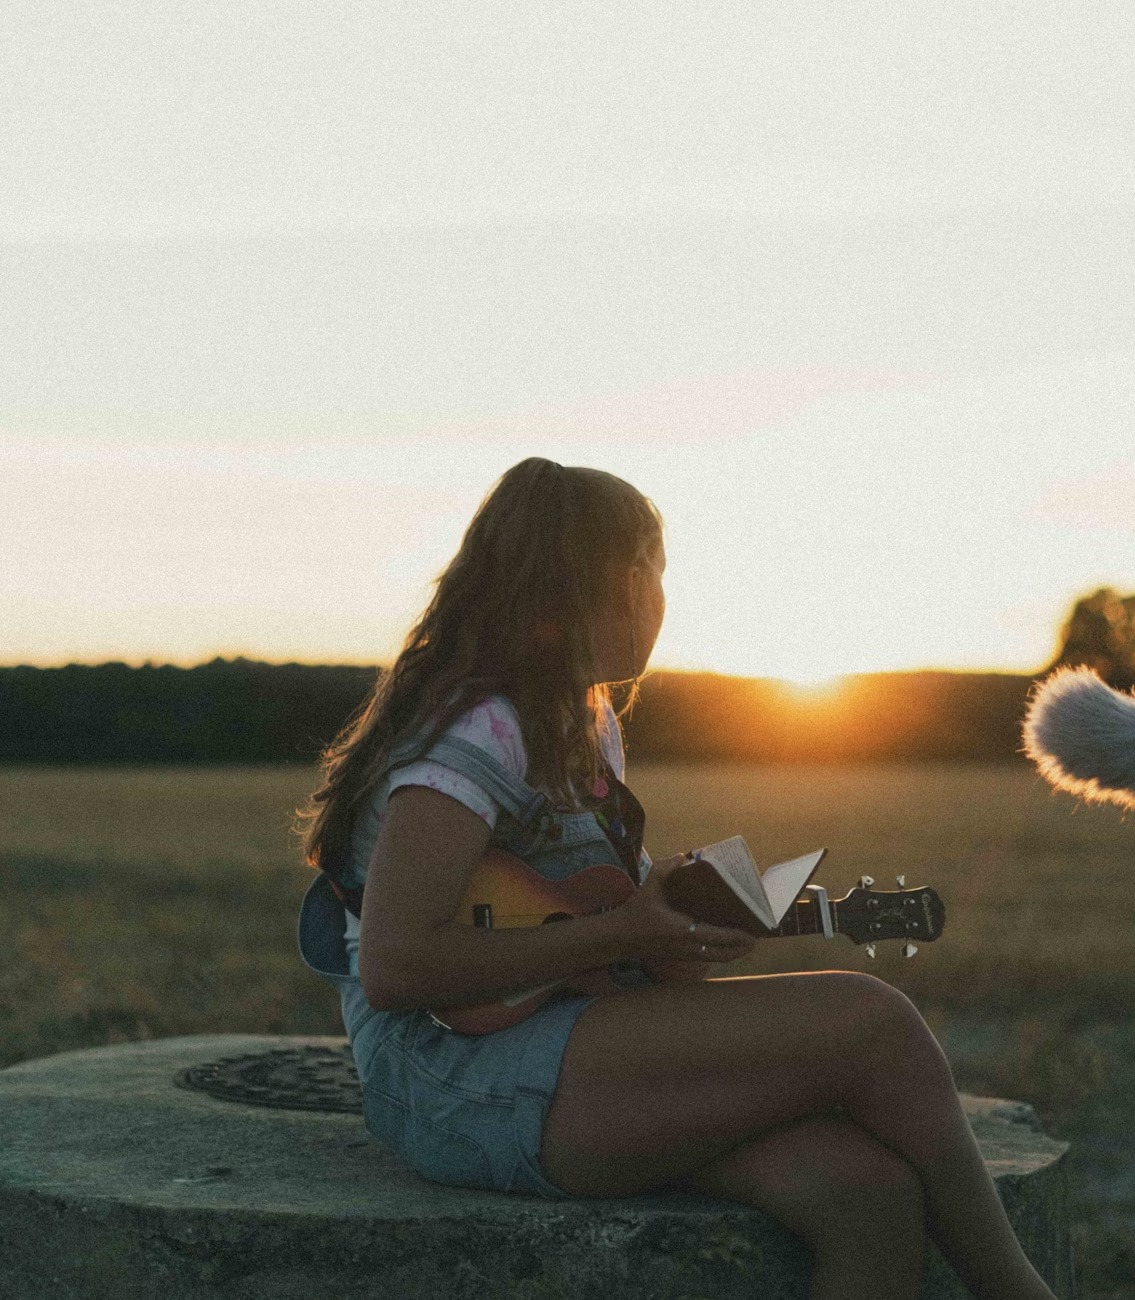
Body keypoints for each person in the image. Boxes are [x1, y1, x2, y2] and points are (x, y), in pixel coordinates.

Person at [295, 458, 1059, 1300]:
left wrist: (666, 936)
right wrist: (622, 933)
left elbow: (576, 931)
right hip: (450, 1082)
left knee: (865, 1194)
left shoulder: (580, 721)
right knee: (873, 1020)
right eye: (657, 570)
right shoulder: (479, 728)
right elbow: (397, 967)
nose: (662, 597)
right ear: (619, 578)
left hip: (555, 1048)